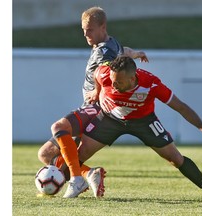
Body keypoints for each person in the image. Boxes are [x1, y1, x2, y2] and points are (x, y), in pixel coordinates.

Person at [65, 55, 202, 200]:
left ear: (132, 79)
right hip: (111, 118)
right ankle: (58, 182)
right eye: (112, 81)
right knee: (80, 154)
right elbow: (97, 75)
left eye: (119, 83)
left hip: (143, 121)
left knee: (175, 158)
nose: (114, 85)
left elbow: (181, 107)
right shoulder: (105, 73)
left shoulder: (151, 84)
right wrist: (96, 91)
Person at [37, 6, 149, 198]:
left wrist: (97, 92)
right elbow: (125, 52)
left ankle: (77, 179)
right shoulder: (112, 44)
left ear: (102, 27)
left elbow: (107, 75)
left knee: (59, 127)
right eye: (83, 30)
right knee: (47, 155)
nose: (85, 34)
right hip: (92, 107)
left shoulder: (104, 52)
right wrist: (138, 53)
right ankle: (89, 173)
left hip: (96, 108)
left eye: (89, 30)